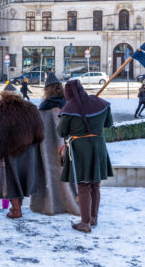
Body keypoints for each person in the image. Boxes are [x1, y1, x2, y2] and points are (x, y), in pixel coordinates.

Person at [57, 80, 113, 233]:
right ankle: (93, 218)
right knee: (95, 184)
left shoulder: (69, 108)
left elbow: (61, 131)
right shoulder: (100, 103)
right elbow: (109, 123)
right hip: (99, 146)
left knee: (84, 185)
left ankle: (85, 223)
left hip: (81, 149)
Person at [0, 83, 44, 219]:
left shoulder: (1, 109)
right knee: (23, 179)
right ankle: (17, 207)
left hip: (9, 153)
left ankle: (16, 210)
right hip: (28, 151)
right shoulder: (31, 108)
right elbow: (40, 132)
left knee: (11, 181)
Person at [30, 73, 80, 216]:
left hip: (46, 149)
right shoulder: (67, 107)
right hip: (66, 147)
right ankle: (69, 203)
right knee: (66, 175)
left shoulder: (43, 109)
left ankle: (52, 205)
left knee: (49, 176)